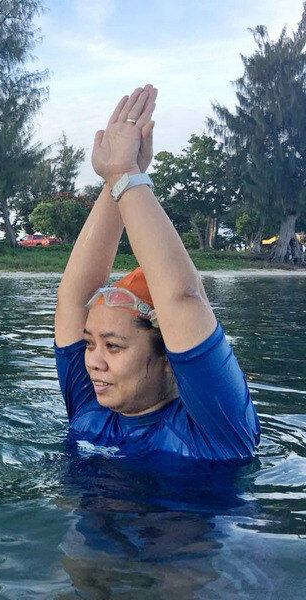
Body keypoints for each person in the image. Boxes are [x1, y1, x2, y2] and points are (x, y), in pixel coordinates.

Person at [53, 84, 260, 461]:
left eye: (113, 346)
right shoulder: (92, 410)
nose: (93, 361)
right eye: (89, 343)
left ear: (169, 355)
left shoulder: (218, 432)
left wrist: (128, 174)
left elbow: (182, 299)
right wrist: (114, 179)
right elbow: (71, 296)